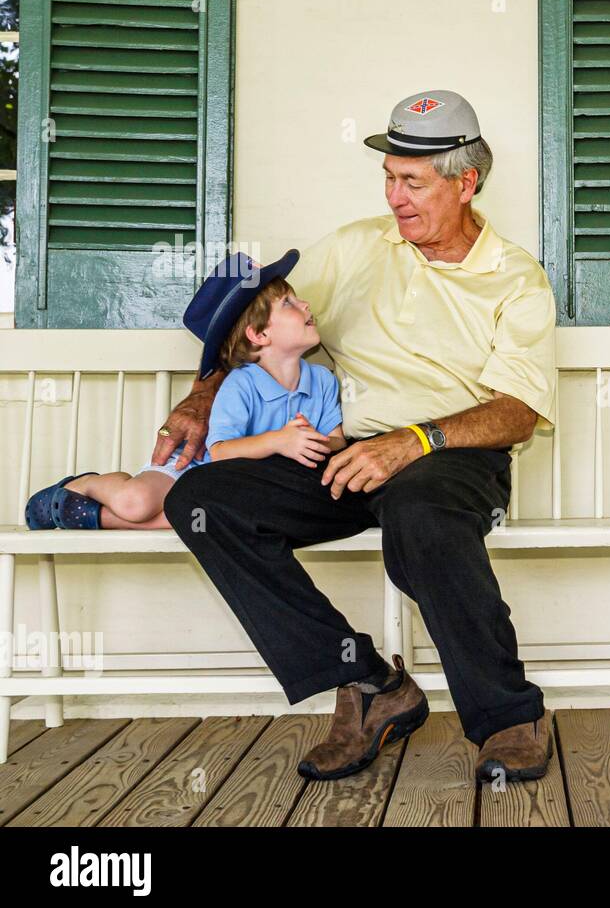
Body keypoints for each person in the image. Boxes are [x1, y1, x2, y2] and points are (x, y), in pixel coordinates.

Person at [155, 89, 558, 784]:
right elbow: (256, 318)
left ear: (466, 183)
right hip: (342, 450)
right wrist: (203, 392)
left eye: (412, 181)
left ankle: (509, 717)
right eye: (389, 177)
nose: (395, 197)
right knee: (207, 498)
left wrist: (413, 442)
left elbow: (517, 410)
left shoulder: (515, 278)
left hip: (449, 456)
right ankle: (372, 685)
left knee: (420, 510)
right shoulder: (356, 247)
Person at [24, 252, 345, 531]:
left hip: (236, 489)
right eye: (288, 302)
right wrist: (279, 441)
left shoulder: (321, 380)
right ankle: (85, 485)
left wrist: (313, 443)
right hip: (191, 468)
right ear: (258, 334)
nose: (304, 303)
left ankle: (90, 517)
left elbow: (337, 439)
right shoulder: (241, 383)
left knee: (216, 518)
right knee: (137, 503)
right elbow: (219, 452)